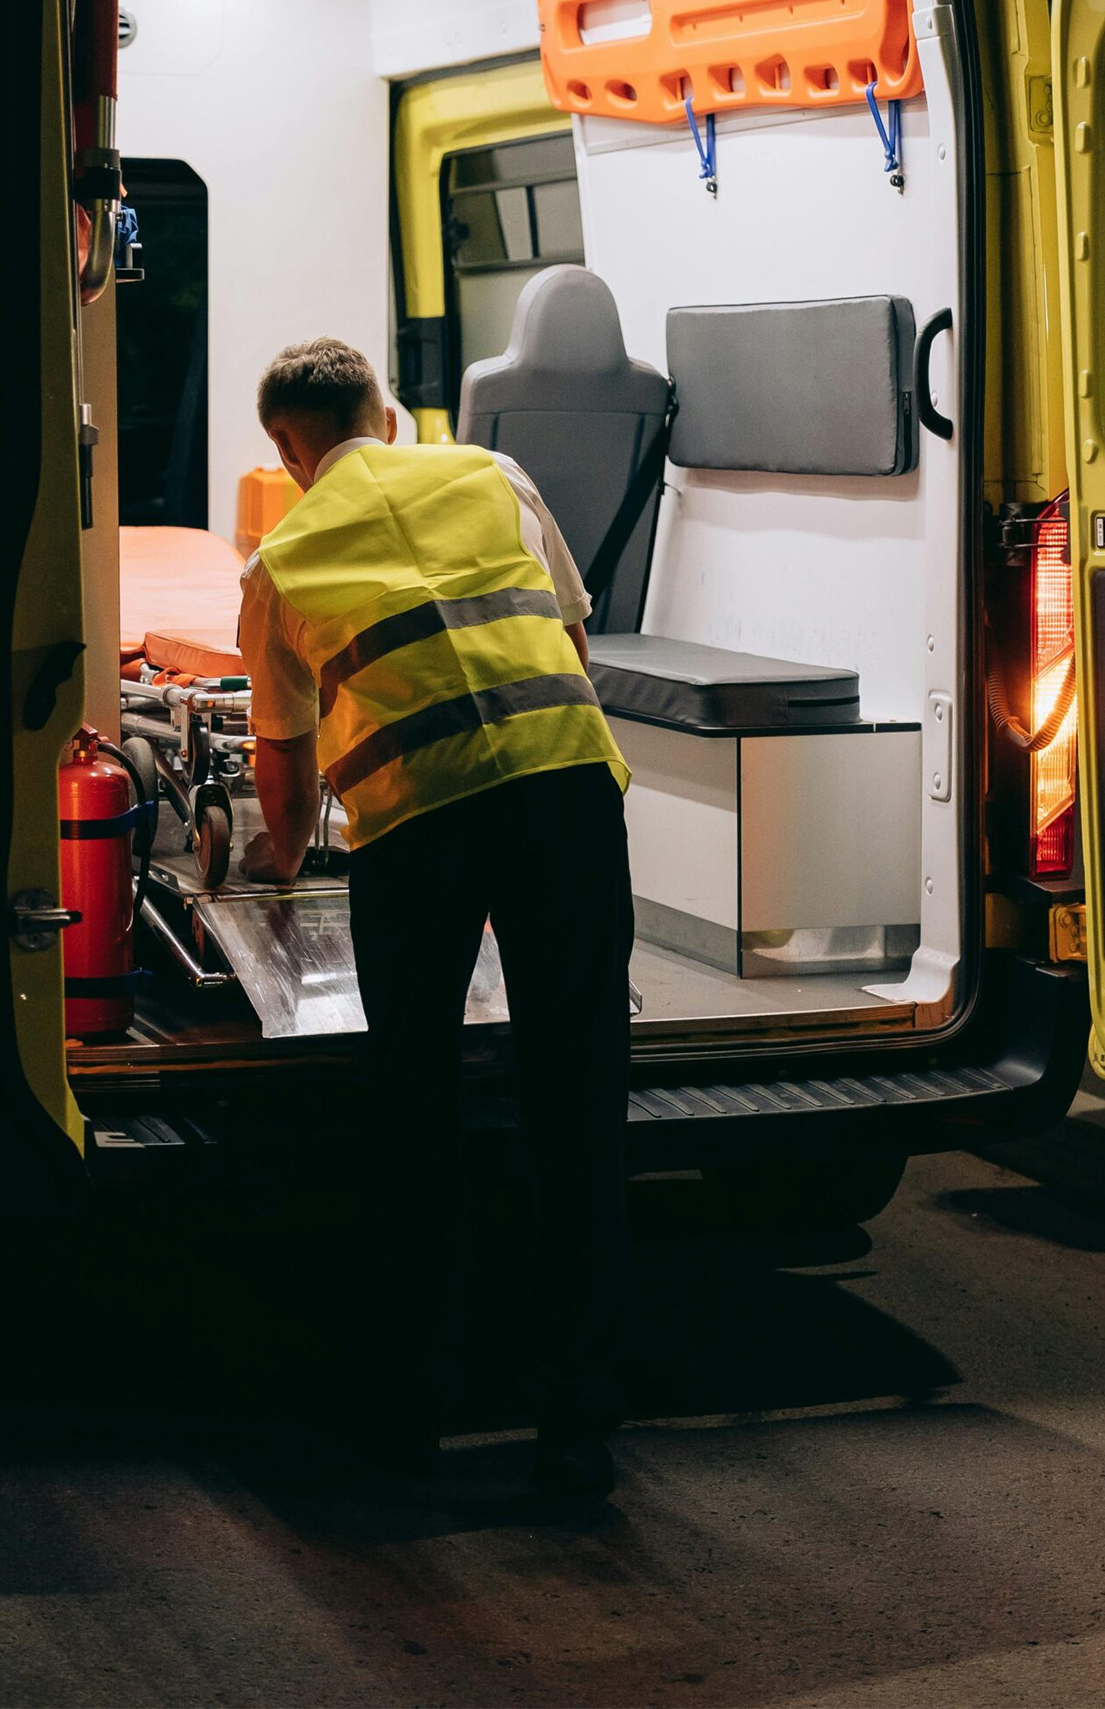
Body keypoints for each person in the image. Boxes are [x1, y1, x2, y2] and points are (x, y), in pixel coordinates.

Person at [237, 337, 634, 1495]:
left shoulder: (281, 560)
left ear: (287, 450)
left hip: (419, 829)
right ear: (387, 415)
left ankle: (410, 1415)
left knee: (414, 1109)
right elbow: (568, 642)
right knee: (578, 1101)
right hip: (566, 796)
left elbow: (285, 771)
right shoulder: (489, 475)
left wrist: (278, 866)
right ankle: (577, 1423)